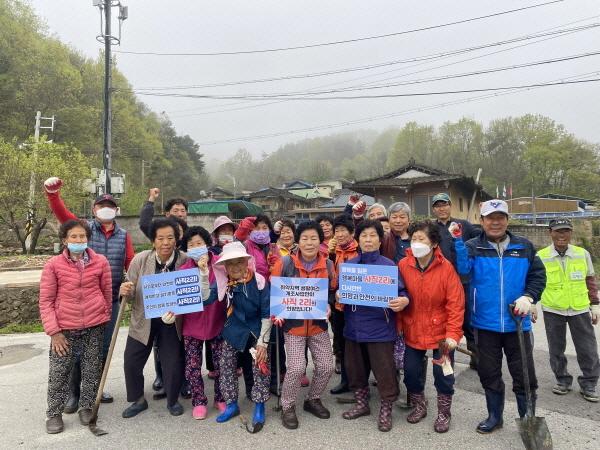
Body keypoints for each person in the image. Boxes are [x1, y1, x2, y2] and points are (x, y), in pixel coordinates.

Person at [453, 199, 546, 434]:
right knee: (489, 373)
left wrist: (529, 297)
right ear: (482, 221)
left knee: (524, 375)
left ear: (507, 219)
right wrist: (457, 243)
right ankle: (495, 416)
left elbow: (538, 276)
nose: (495, 222)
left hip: (518, 323)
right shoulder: (473, 246)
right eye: (490, 218)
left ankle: (528, 418)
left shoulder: (524, 246)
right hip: (485, 324)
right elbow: (463, 272)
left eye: (500, 217)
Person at [44, 177, 134, 406]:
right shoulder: (83, 230)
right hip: (76, 302)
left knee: (100, 349)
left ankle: (95, 388)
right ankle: (74, 394)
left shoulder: (124, 236)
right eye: (101, 205)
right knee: (75, 352)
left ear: (116, 210)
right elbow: (63, 216)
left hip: (110, 301)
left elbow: (131, 264)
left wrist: (133, 285)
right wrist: (53, 195)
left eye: (110, 206)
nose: (106, 209)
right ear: (94, 209)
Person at [39, 220, 112, 434]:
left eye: (82, 237)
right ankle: (54, 413)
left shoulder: (100, 262)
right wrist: (54, 332)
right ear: (65, 240)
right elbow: (46, 301)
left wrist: (103, 315)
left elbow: (106, 292)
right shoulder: (53, 265)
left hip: (94, 325)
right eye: (74, 237)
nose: (79, 240)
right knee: (59, 372)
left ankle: (86, 407)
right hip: (64, 330)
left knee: (91, 369)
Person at [119, 218, 191, 418]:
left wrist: (177, 311)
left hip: (172, 322)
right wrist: (125, 290)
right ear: (153, 241)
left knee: (173, 361)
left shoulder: (185, 260)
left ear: (177, 240)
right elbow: (130, 291)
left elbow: (190, 294)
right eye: (160, 238)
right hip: (144, 319)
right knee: (131, 360)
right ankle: (138, 400)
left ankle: (172, 399)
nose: (165, 242)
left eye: (170, 238)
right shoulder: (141, 259)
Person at [398, 220, 465, 433]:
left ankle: (444, 413)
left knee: (443, 374)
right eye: (414, 238)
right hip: (413, 328)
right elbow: (399, 295)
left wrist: (453, 335)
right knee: (410, 372)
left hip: (442, 334)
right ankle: (420, 404)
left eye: (422, 239)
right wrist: (399, 326)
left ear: (434, 243)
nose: (416, 243)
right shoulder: (403, 265)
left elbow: (456, 304)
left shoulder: (446, 269)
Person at [341, 219, 408, 432]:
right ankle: (362, 404)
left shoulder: (389, 266)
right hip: (354, 328)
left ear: (380, 240)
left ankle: (386, 409)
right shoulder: (349, 266)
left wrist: (403, 300)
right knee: (356, 369)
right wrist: (339, 294)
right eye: (364, 236)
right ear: (357, 239)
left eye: (373, 235)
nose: (368, 240)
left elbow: (403, 292)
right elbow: (338, 294)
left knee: (385, 371)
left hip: (381, 328)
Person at [271, 221, 336, 430]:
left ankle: (313, 399)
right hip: (294, 327)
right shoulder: (285, 263)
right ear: (297, 241)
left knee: (327, 366)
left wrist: (328, 305)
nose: (309, 243)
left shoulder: (328, 265)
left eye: (314, 238)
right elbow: (274, 292)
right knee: (297, 368)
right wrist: (276, 312)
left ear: (321, 240)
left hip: (318, 326)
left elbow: (332, 291)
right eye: (305, 238)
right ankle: (287, 405)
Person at [204, 242, 272, 432]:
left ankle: (259, 406)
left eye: (239, 262)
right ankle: (232, 404)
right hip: (232, 330)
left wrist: (262, 343)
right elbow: (204, 298)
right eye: (230, 263)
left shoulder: (259, 282)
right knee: (225, 365)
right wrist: (203, 274)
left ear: (246, 262)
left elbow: (267, 312)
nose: (235, 267)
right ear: (224, 266)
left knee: (261, 365)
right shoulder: (222, 283)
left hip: (256, 330)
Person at [537, 218, 599, 402]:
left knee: (587, 349)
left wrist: (594, 304)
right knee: (556, 348)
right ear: (550, 232)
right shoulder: (541, 256)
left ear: (571, 233)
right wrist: (532, 303)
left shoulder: (582, 254)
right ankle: (562, 380)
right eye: (558, 231)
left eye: (565, 231)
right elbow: (536, 282)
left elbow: (590, 280)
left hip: (579, 308)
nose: (562, 235)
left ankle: (589, 383)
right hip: (552, 308)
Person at [137, 188, 190, 397]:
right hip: (161, 295)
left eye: (183, 209)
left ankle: (184, 379)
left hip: (184, 295)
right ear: (167, 213)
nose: (179, 212)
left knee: (183, 340)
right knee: (161, 341)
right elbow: (143, 224)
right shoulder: (161, 233)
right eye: (175, 209)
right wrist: (150, 200)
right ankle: (161, 376)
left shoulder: (189, 235)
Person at [179, 226, 228, 419]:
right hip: (192, 326)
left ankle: (220, 397)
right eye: (191, 245)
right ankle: (198, 401)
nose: (196, 247)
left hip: (218, 322)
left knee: (220, 364)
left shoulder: (221, 265)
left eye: (199, 243)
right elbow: (177, 300)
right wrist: (171, 312)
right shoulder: (183, 271)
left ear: (207, 243)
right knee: (192, 366)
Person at [430, 193, 479, 369]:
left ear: (450, 206)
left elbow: (480, 240)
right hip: (440, 280)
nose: (441, 208)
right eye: (437, 205)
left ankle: (477, 358)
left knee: (468, 321)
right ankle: (444, 359)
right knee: (443, 320)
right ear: (433, 209)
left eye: (444, 204)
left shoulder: (464, 225)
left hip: (464, 281)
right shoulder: (431, 228)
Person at [329, 215, 359, 395]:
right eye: (336, 231)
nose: (339, 234)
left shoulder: (360, 250)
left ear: (352, 232)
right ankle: (345, 381)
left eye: (343, 230)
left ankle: (358, 383)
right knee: (341, 342)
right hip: (338, 305)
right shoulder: (334, 252)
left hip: (356, 306)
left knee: (356, 344)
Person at [234, 214, 278, 279]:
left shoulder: (273, 247)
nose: (261, 231)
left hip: (271, 286)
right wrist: (239, 236)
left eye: (264, 228)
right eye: (257, 228)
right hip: (252, 286)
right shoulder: (245, 246)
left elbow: (280, 268)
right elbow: (234, 252)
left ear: (269, 230)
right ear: (250, 231)